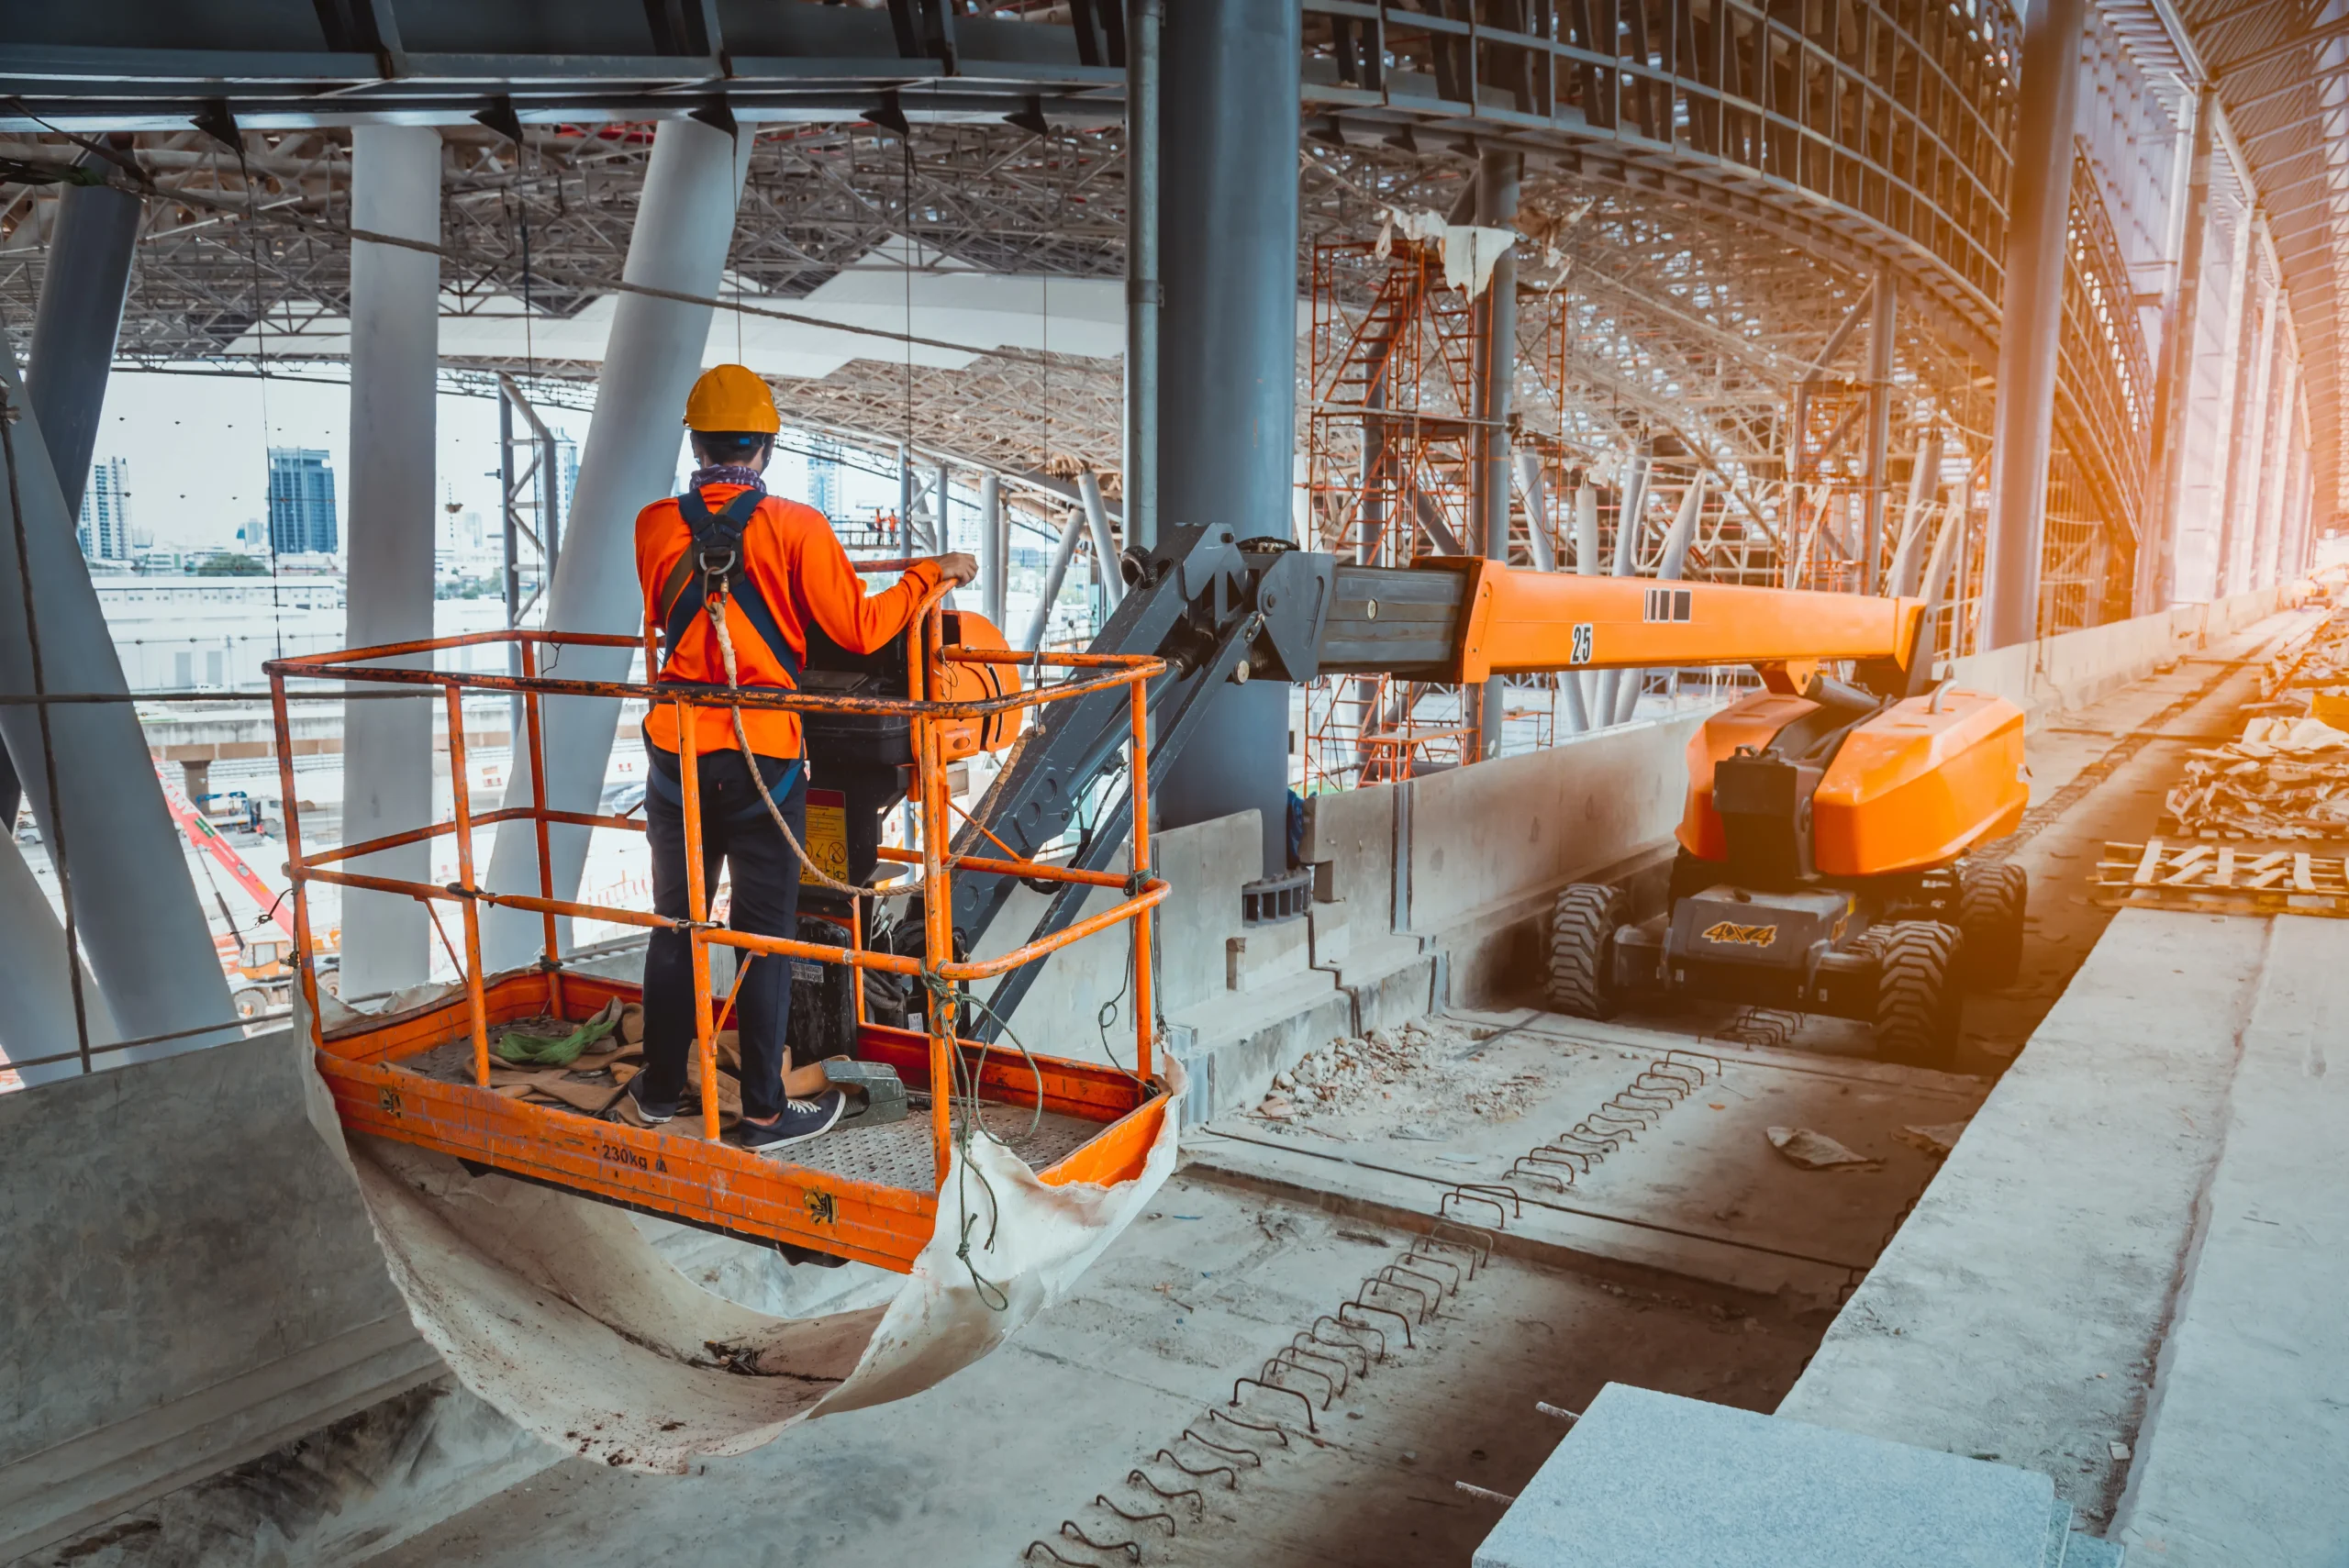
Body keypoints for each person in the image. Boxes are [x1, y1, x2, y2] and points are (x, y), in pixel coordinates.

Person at [614, 363, 974, 1151]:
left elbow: (678, 619)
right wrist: (931, 574)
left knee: (674, 927)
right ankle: (766, 1111)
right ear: (766, 446)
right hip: (760, 761)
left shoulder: (650, 526)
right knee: (765, 933)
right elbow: (857, 627)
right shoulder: (796, 526)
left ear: (698, 444)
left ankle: (661, 1090)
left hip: (675, 755)